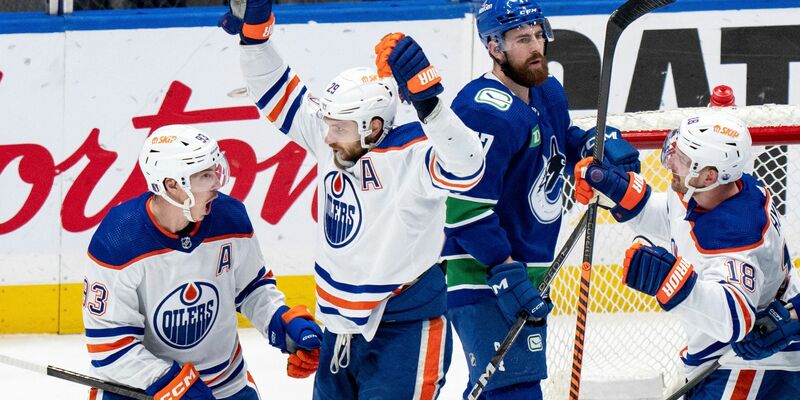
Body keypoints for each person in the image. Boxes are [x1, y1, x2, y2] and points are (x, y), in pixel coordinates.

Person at [218, 1, 486, 398]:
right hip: (338, 330)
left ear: (373, 127)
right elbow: (274, 91)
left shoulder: (412, 155)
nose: (326, 137)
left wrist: (430, 105)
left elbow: (468, 167)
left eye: (338, 128)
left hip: (405, 330)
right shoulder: (336, 137)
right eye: (328, 125)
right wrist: (255, 39)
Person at [441, 1, 640, 398]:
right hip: (483, 273)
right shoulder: (481, 110)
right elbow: (463, 207)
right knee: (513, 389)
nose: (536, 47)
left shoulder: (546, 90)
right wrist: (504, 269)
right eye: (522, 39)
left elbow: (558, 138)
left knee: (503, 388)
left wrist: (590, 146)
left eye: (538, 35)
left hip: (527, 269)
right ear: (495, 48)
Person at [83, 124, 323, 400]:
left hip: (223, 384)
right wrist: (170, 383)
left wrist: (282, 323)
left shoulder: (230, 218)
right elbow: (110, 345)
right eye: (205, 176)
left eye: (215, 170)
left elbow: (252, 289)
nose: (216, 184)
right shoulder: (117, 240)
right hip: (138, 390)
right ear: (172, 185)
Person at [574, 111, 800, 398]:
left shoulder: (737, 232)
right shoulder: (704, 191)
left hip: (756, 366)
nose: (670, 161)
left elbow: (734, 317)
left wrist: (673, 284)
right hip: (722, 357)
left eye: (681, 158)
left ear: (709, 175)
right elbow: (673, 218)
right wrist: (623, 194)